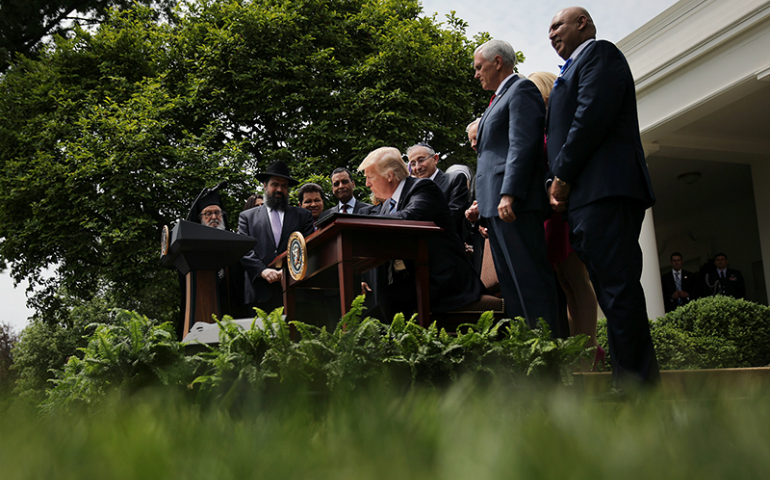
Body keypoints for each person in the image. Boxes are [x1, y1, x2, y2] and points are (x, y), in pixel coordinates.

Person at [546, 7, 659, 388]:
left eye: (557, 25)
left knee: (619, 291)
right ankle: (624, 381)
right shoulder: (569, 72)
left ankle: (637, 389)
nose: (551, 34)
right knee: (611, 297)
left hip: (606, 191)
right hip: (585, 200)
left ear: (583, 24)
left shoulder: (600, 54)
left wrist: (561, 176)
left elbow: (590, 116)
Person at [470, 38, 558, 329]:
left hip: (515, 204)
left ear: (498, 62)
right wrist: (482, 204)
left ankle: (552, 356)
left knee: (530, 281)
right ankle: (528, 354)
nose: (476, 74)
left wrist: (509, 192)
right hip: (494, 208)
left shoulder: (521, 89)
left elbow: (523, 145)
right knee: (511, 288)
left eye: (479, 67)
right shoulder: (495, 100)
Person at [357, 147, 483, 320]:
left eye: (370, 177)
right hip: (411, 282)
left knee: (383, 307)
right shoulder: (386, 205)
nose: (367, 184)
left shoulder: (423, 188)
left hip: (442, 280)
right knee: (368, 314)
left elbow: (410, 218)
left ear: (389, 176)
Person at [530, 70, 600, 362]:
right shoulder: (540, 127)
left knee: (576, 277)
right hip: (550, 214)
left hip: (565, 208)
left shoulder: (558, 125)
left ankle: (591, 347)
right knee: (565, 282)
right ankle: (578, 348)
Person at [238, 161, 315, 313]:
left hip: (294, 291)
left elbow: (308, 247)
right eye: (275, 184)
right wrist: (263, 271)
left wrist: (288, 272)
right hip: (258, 293)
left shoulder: (303, 216)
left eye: (284, 186)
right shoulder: (247, 217)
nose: (279, 189)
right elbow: (244, 249)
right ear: (265, 186)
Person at [407, 143, 469, 235]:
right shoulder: (411, 190)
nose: (417, 167)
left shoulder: (454, 180)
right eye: (413, 163)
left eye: (421, 160)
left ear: (435, 159)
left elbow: (453, 217)